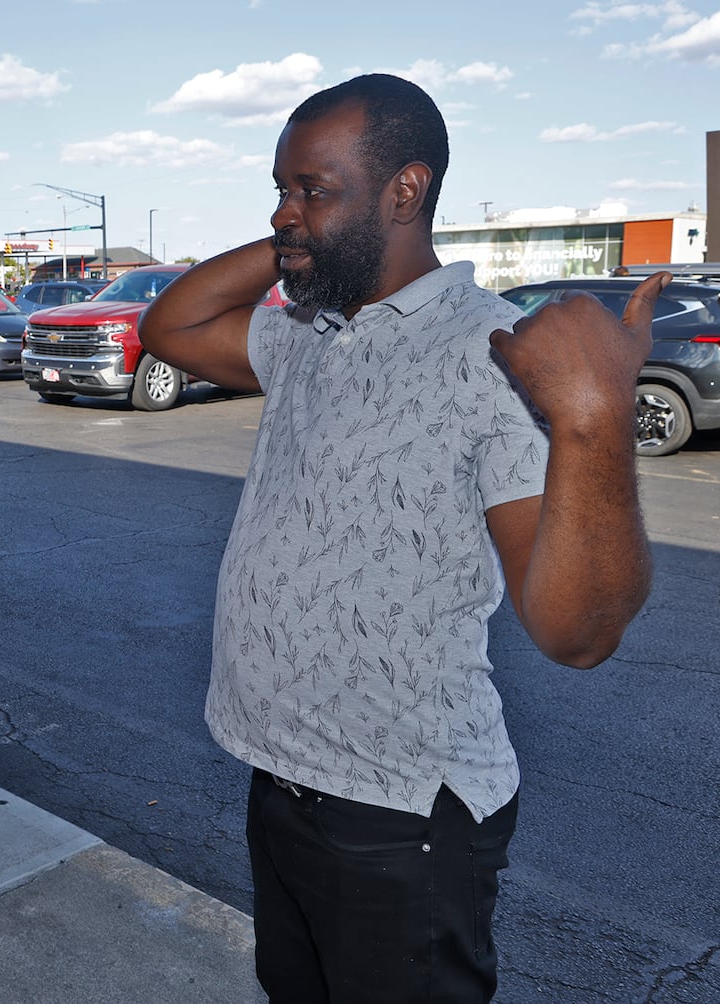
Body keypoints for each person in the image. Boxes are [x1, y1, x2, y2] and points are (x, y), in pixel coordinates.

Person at [139, 74, 660, 1003]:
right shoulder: (306, 332)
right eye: (279, 188)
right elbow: (167, 327)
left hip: (400, 818)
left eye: (312, 188)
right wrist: (302, 237)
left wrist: (592, 420)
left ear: (405, 192)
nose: (282, 211)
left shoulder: (494, 351)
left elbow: (577, 634)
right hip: (282, 782)